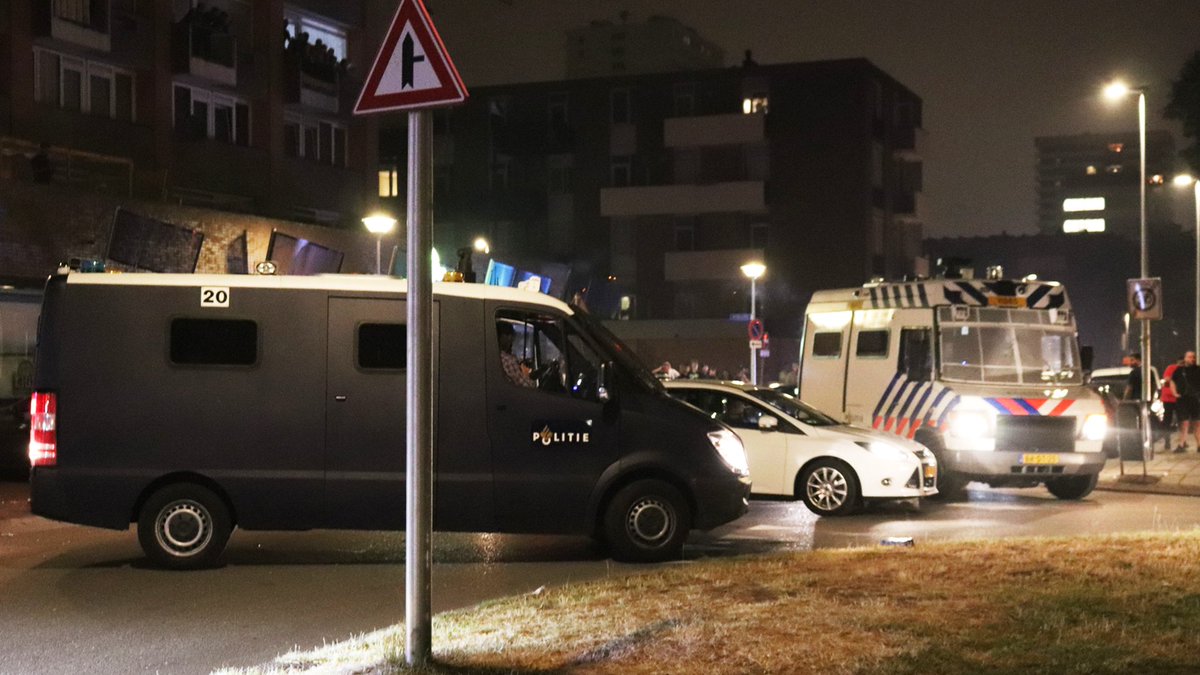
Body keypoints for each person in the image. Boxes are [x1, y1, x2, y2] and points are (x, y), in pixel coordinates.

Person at [1170, 351, 1200, 452]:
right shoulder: (1179, 370)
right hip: (1183, 399)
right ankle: (1181, 444)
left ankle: (1199, 445)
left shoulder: (1198, 369)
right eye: (1189, 357)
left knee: (1197, 423)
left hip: (1195, 399)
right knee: (1184, 423)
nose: (1192, 359)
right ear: (1185, 358)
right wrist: (1174, 393)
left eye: (1193, 357)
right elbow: (1172, 381)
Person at [497, 322, 534, 388]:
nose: (511, 340)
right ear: (502, 337)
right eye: (509, 335)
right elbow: (527, 386)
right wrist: (527, 375)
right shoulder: (507, 360)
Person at [1159, 356, 1183, 450]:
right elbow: (1167, 379)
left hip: (1179, 399)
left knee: (1181, 420)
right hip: (1168, 398)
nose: (1181, 365)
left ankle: (1182, 441)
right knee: (1167, 421)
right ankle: (1167, 441)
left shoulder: (1184, 371)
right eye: (1181, 363)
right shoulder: (1171, 368)